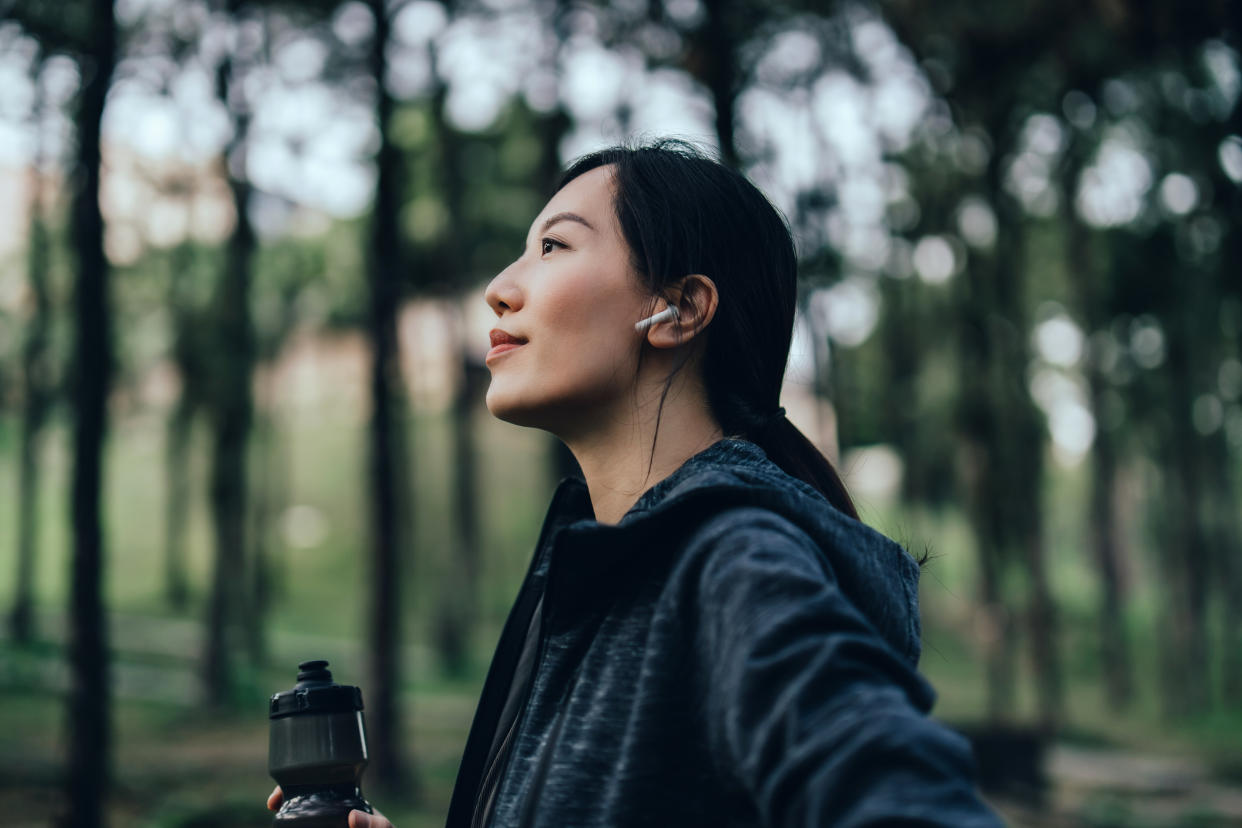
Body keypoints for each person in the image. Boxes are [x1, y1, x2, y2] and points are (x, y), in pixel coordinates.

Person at [271, 139, 1002, 827]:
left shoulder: (732, 560)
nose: (499, 289)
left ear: (680, 309)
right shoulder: (603, 573)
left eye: (553, 246)